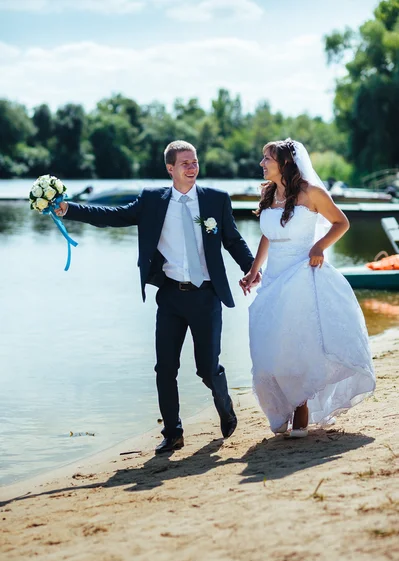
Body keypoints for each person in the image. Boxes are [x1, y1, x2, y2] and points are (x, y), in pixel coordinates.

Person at [55, 140, 259, 454]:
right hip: (170, 298)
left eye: (195, 162)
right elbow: (113, 216)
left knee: (207, 368)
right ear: (170, 169)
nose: (192, 168)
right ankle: (173, 432)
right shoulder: (152, 201)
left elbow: (232, 239)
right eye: (185, 164)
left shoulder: (215, 200)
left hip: (206, 297)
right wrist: (70, 209)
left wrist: (252, 268)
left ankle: (223, 401)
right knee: (165, 368)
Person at [240, 138, 375, 438]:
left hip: (302, 275)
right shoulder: (269, 194)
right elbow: (268, 235)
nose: (262, 163)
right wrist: (253, 271)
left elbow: (341, 222)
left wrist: (319, 246)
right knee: (268, 346)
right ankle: (281, 405)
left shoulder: (311, 193)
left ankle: (300, 404)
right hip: (273, 278)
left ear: (285, 163)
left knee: (295, 344)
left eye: (267, 158)